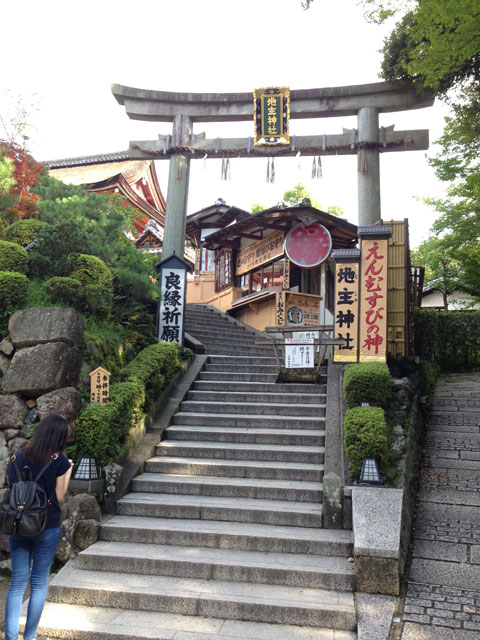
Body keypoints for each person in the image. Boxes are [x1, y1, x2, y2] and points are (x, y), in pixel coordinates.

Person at [4, 413, 73, 640]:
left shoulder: (17, 458)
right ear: (59, 436)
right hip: (46, 526)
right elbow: (60, 496)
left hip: (18, 526)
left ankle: (12, 637)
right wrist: (69, 469)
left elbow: (14, 490)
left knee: (17, 584)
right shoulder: (60, 461)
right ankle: (30, 636)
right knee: (38, 583)